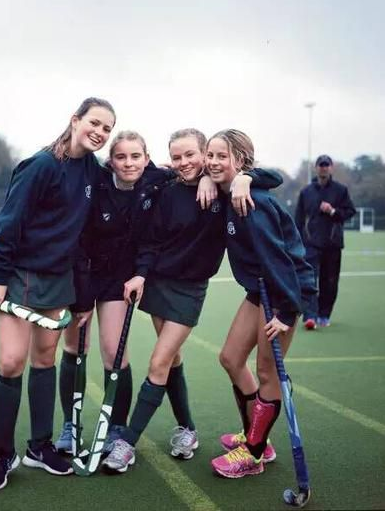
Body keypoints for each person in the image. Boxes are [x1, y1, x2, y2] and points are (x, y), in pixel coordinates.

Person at [102, 128, 283, 474]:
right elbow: (151, 241)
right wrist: (141, 274)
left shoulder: (223, 188)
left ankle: (126, 443)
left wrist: (244, 178)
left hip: (189, 290)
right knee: (172, 358)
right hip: (158, 284)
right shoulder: (166, 188)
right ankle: (189, 429)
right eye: (177, 156)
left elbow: (271, 176)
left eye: (190, 155)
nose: (183, 162)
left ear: (204, 154)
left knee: (158, 362)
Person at [0, 97, 116, 491]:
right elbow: (9, 221)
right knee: (11, 362)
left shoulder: (92, 170)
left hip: (60, 278)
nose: (100, 133)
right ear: (75, 120)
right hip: (21, 276)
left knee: (44, 359)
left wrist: (82, 297)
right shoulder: (40, 165)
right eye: (95, 123)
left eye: (107, 129)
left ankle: (39, 447)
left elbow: (136, 178)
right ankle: (2, 455)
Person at [56, 130, 214, 455]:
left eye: (135, 156)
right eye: (121, 157)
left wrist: (210, 178)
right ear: (110, 161)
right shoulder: (97, 181)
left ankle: (117, 427)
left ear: (147, 158)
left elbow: (196, 171)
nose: (128, 163)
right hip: (81, 274)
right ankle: (70, 425)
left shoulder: (156, 181)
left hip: (119, 279)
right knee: (74, 346)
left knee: (113, 351)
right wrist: (81, 295)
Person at [206, 129, 315, 479]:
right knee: (230, 358)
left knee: (267, 372)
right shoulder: (229, 192)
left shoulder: (253, 203)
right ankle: (256, 435)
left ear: (240, 160)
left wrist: (287, 312)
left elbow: (279, 260)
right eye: (210, 155)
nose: (213, 162)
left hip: (283, 294)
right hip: (259, 290)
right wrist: (213, 178)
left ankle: (254, 453)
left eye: (221, 156)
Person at [295, 155, 356, 329]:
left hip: (332, 244)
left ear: (331, 168)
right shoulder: (306, 192)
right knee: (309, 281)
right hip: (311, 244)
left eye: (326, 165)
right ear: (316, 168)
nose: (323, 168)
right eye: (321, 165)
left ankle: (324, 315)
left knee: (329, 282)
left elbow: (350, 211)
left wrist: (333, 211)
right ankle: (310, 316)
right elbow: (298, 219)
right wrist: (298, 242)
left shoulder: (340, 190)